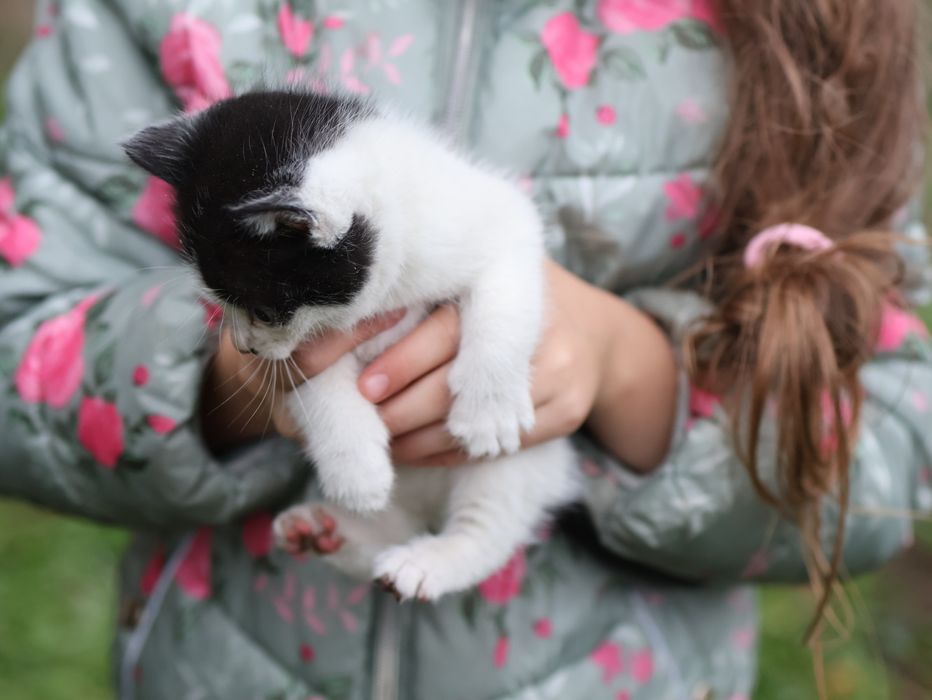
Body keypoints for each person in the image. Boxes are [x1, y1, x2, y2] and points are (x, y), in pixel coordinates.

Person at [1, 1, 930, 698]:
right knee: (360, 472)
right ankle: (372, 537)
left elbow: (886, 444)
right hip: (222, 669)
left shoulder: (809, 34)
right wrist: (235, 380)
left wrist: (630, 370)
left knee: (478, 483)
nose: (248, 332)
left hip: (615, 671)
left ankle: (437, 541)